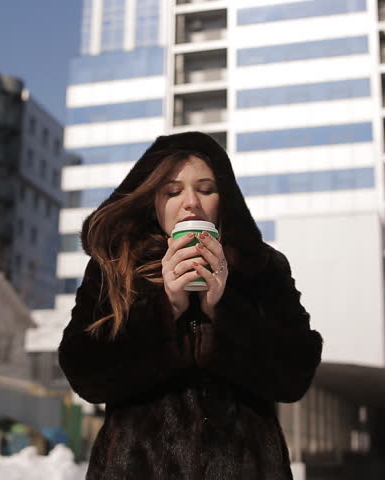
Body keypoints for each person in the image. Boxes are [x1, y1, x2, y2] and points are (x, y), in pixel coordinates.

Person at [58, 131, 323, 479]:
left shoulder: (262, 268)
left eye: (206, 189)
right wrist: (166, 307)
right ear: (154, 201)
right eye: (172, 191)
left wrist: (222, 309)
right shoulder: (115, 266)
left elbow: (295, 375)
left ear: (224, 199)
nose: (191, 203)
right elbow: (84, 373)